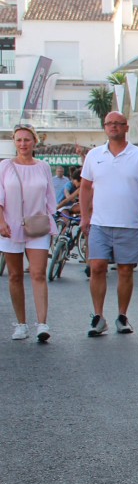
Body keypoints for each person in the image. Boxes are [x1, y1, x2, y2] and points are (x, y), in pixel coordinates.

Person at [80, 112, 138, 337]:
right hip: (99, 223)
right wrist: (85, 217)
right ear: (105, 127)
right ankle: (98, 317)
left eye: (118, 124)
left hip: (129, 224)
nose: (113, 127)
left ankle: (122, 316)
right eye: (109, 124)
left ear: (126, 128)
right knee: (96, 267)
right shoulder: (94, 155)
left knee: (126, 270)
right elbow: (85, 187)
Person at [0, 125, 57, 342]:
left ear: (34, 142)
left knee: (38, 273)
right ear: (14, 142)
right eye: (19, 140)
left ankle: (42, 324)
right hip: (10, 227)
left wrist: (54, 221)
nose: (23, 144)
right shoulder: (5, 166)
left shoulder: (43, 167)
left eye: (27, 139)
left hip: (37, 225)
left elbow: (50, 197)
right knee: (14, 276)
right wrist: (1, 222)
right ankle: (21, 324)